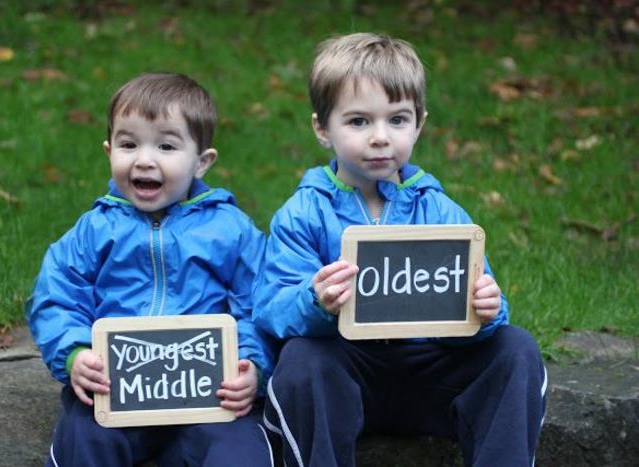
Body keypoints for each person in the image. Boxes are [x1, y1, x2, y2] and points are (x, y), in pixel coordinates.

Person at [252, 33, 546, 467]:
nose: (379, 137)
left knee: (516, 348)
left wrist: (488, 310)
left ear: (419, 123)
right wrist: (315, 302)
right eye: (358, 122)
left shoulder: (441, 210)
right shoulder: (303, 213)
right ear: (322, 128)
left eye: (397, 120)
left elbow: (480, 303)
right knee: (301, 361)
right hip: (346, 376)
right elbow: (271, 307)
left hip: (433, 372)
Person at [27, 72, 275, 467]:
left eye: (165, 145)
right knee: (85, 439)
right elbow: (57, 294)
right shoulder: (94, 229)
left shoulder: (230, 230)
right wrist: (74, 353)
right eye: (129, 144)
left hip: (208, 396)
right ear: (109, 150)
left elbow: (260, 303)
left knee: (241, 451)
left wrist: (252, 367)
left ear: (202, 162)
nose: (144, 159)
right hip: (117, 391)